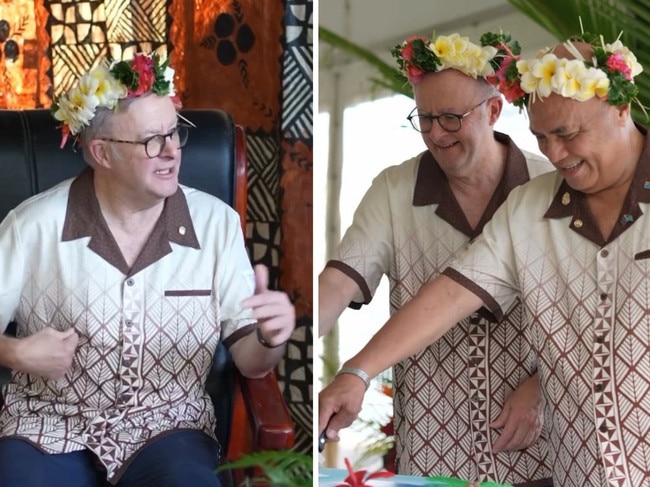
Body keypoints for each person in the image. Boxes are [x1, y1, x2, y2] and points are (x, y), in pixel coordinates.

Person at [319, 31, 650, 487]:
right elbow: (452, 292)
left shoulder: (535, 181)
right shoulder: (529, 206)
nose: (554, 154)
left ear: (620, 108)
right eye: (541, 137)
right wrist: (357, 370)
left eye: (567, 134)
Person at [0, 53, 295, 487]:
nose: (172, 151)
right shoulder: (32, 226)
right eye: (151, 140)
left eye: (175, 132)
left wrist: (271, 337)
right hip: (47, 427)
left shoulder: (216, 224)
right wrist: (15, 353)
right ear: (102, 153)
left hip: (170, 429)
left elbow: (251, 365)